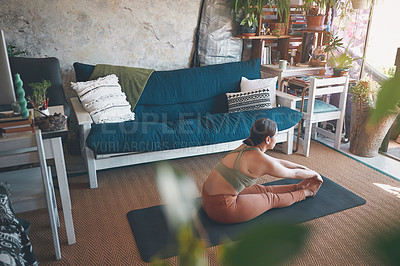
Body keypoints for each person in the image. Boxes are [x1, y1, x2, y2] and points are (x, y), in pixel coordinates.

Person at [201, 118, 323, 224]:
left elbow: (281, 162)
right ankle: (307, 192)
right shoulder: (261, 160)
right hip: (221, 208)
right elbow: (294, 173)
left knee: (262, 189)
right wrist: (315, 174)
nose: (277, 138)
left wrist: (307, 170)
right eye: (277, 135)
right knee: (270, 198)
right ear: (268, 139)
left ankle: (298, 187)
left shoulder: (245, 147)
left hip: (206, 197)